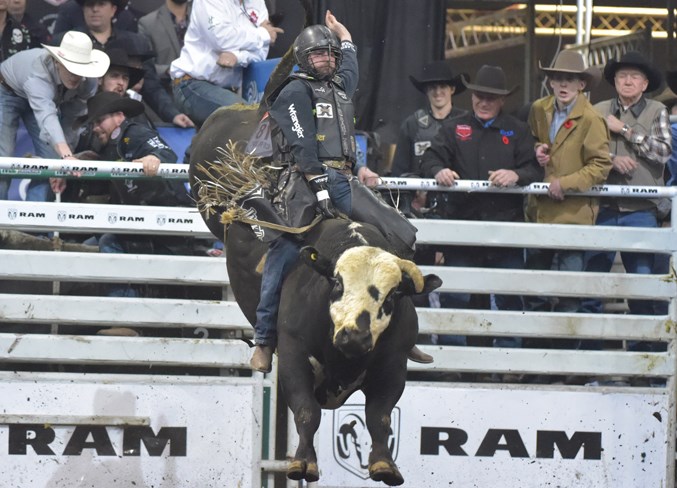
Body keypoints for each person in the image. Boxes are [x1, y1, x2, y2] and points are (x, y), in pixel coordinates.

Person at [248, 11, 424, 372]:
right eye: (318, 55)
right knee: (283, 250)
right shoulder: (294, 91)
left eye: (330, 54)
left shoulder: (339, 86)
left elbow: (351, 66)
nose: (326, 60)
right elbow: (302, 143)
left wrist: (344, 36)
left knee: (402, 233)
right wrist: (318, 185)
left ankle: (402, 334)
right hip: (305, 181)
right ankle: (264, 339)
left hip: (344, 180)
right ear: (303, 58)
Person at [420, 64, 544, 350]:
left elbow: (535, 169)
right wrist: (439, 170)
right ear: (473, 96)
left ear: (502, 101)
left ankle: (509, 356)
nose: (484, 102)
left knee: (509, 295)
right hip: (463, 228)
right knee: (456, 294)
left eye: (491, 97)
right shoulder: (453, 128)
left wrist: (517, 175)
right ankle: (453, 354)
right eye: (480, 96)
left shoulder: (518, 130)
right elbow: (429, 158)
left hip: (505, 229)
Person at [585, 51, 671, 339]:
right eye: (623, 76)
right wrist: (610, 159)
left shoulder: (657, 110)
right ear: (615, 81)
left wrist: (624, 130)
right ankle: (589, 363)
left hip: (641, 211)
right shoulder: (596, 110)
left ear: (645, 84)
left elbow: (662, 153)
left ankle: (644, 360)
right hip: (603, 209)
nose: (628, 81)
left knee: (643, 288)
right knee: (591, 287)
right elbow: (584, 151)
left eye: (635, 76)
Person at [76, 91, 193, 296]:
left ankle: (125, 311)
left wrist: (153, 157)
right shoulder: (109, 148)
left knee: (108, 241)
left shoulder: (133, 132)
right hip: (143, 223)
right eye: (93, 123)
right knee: (89, 245)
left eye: (100, 121)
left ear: (119, 116)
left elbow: (166, 153)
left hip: (167, 221)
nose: (95, 128)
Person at [525, 50, 612, 321]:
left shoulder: (592, 118)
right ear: (550, 82)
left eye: (570, 80)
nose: (563, 85)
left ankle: (564, 356)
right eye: (558, 79)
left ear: (581, 85)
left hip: (573, 214)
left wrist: (566, 183)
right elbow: (528, 142)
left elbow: (601, 164)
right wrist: (536, 149)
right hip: (540, 211)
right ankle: (537, 354)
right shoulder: (539, 109)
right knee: (535, 291)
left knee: (569, 294)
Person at [0, 30, 109, 200]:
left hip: (46, 99)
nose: (75, 75)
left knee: (52, 162)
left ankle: (34, 221)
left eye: (80, 69)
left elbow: (72, 122)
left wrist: (65, 161)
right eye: (70, 67)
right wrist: (66, 156)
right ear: (56, 61)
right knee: (2, 157)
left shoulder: (89, 82)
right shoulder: (38, 74)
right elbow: (47, 117)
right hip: (5, 90)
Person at [54, 0, 195, 129]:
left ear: (113, 9)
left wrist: (173, 114)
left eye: (101, 3)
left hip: (124, 120)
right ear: (83, 9)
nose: (95, 9)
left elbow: (152, 87)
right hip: (77, 120)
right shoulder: (68, 41)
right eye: (89, 4)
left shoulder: (135, 43)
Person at [169, 0, 283, 127]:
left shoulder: (257, 2)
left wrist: (238, 57)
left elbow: (261, 51)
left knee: (270, 116)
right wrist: (263, 34)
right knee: (250, 116)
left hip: (229, 89)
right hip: (191, 83)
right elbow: (222, 39)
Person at [391, 60, 466, 177]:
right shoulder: (412, 124)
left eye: (443, 86)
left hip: (459, 193)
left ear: (452, 89)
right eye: (433, 87)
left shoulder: (466, 122)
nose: (438, 92)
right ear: (426, 91)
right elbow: (399, 170)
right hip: (419, 194)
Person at [138, 0, 191, 93]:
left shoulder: (204, 17)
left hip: (207, 89)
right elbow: (145, 66)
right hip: (168, 93)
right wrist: (168, 70)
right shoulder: (148, 23)